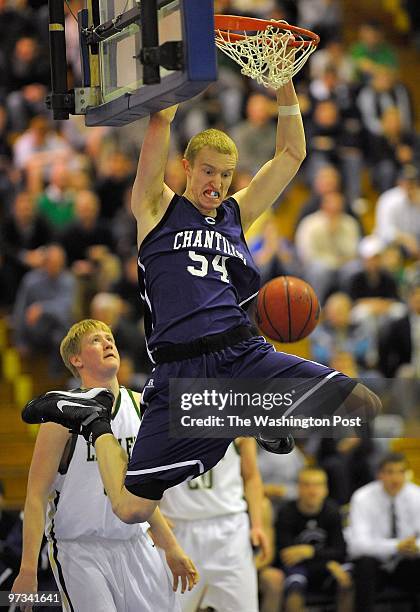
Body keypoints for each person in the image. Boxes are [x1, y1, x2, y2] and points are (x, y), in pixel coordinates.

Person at [23, 77, 381, 525]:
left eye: (226, 174)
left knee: (364, 406)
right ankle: (99, 421)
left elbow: (292, 155)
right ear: (188, 167)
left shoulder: (236, 215)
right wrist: (174, 76)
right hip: (180, 371)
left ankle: (246, 416)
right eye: (208, 171)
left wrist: (285, 86)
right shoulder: (156, 207)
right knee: (132, 509)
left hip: (242, 352)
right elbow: (161, 120)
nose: (217, 183)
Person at [13, 319, 198, 612]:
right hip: (81, 551)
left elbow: (142, 494)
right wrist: (27, 569)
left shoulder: (140, 407)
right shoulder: (60, 415)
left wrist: (171, 546)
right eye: (96, 341)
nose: (108, 342)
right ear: (76, 360)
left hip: (136, 543)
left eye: (109, 337)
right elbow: (35, 497)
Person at [160, 437, 269, 612]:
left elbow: (251, 475)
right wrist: (151, 517)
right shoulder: (161, 413)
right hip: (177, 529)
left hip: (230, 529)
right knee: (169, 607)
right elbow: (145, 471)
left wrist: (257, 525)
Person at [346, 452, 420, 612]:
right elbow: (357, 546)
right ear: (379, 474)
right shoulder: (362, 497)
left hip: (405, 564)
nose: (396, 478)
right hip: (375, 565)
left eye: (401, 472)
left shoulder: (416, 495)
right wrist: (396, 546)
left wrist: (416, 547)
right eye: (390, 472)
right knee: (365, 565)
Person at [274, 466, 352, 612]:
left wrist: (310, 552)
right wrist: (325, 561)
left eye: (317, 485)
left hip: (324, 564)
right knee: (295, 586)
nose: (312, 490)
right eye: (306, 484)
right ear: (298, 488)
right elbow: (286, 556)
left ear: (326, 489)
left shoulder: (332, 511)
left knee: (346, 580)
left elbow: (340, 550)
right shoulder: (286, 513)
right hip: (299, 568)